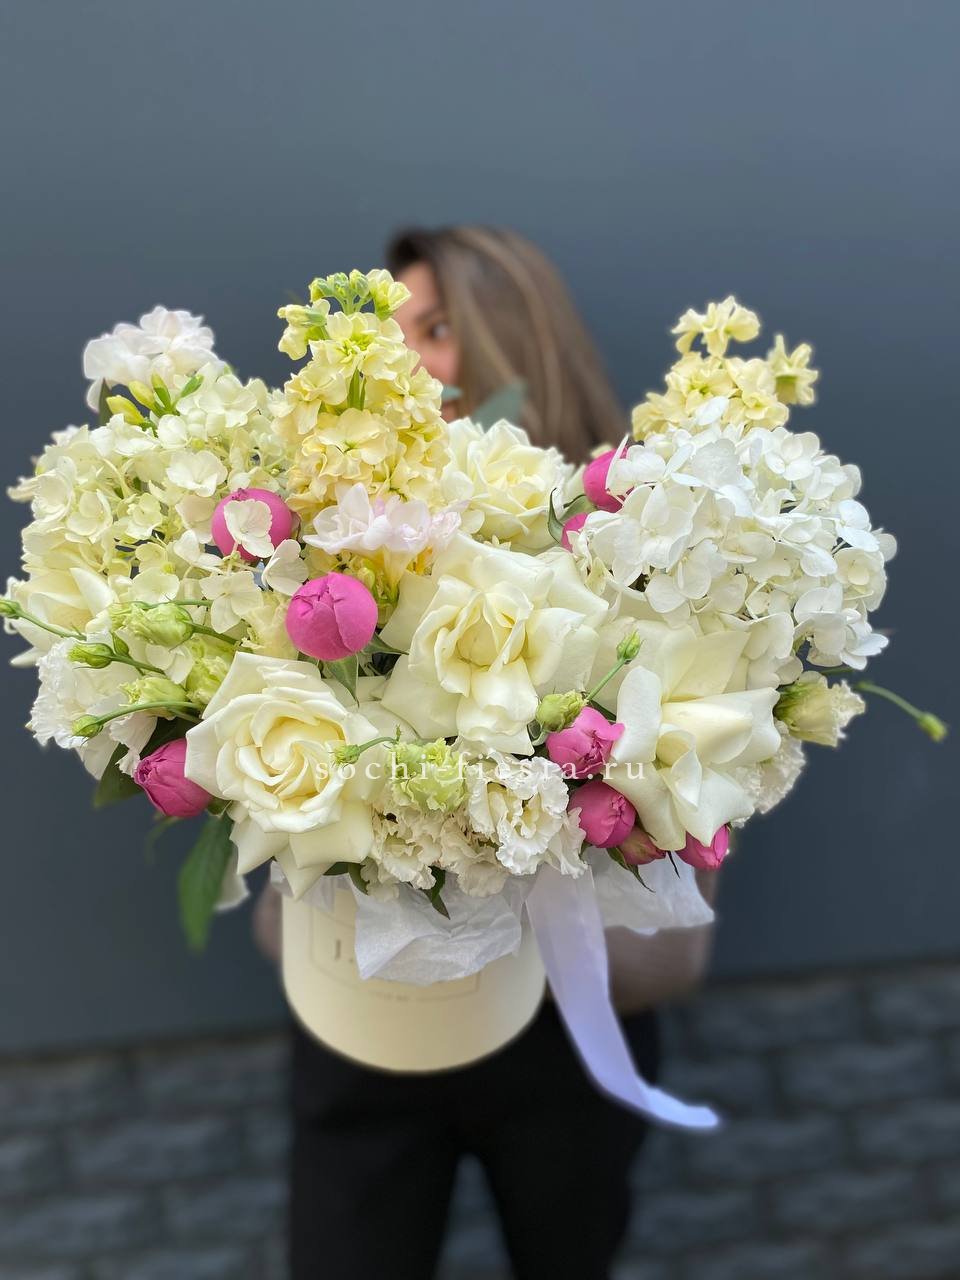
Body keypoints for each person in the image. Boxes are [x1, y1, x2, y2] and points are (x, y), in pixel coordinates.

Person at [260, 225, 717, 1280]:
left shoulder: (641, 556)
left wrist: (495, 869)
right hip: (364, 1031)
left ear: (518, 340)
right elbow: (273, 865)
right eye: (389, 343)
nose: (410, 367)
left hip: (569, 1044)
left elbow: (679, 934)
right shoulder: (319, 556)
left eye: (437, 329)